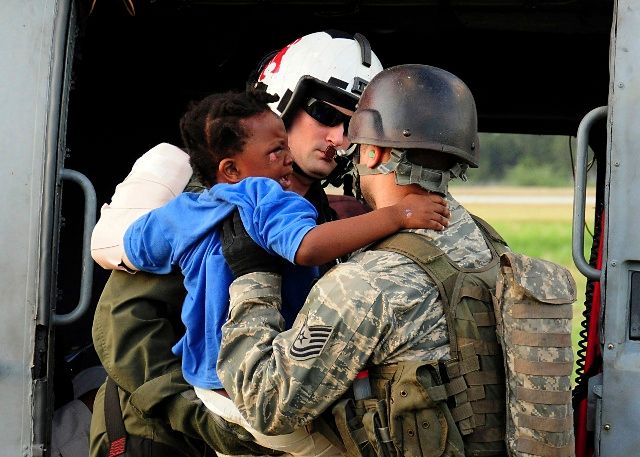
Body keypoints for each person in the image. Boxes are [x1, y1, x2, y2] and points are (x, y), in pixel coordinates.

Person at [89, 32, 449, 457]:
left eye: (350, 126)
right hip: (158, 431)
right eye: (324, 114)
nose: (339, 139)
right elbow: (124, 326)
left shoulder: (335, 219)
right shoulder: (195, 197)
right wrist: (200, 417)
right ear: (280, 103)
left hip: (260, 430)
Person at [216, 64, 512, 456]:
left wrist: (254, 278)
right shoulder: (489, 244)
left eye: (355, 145)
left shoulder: (365, 285)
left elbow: (266, 404)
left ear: (373, 153)